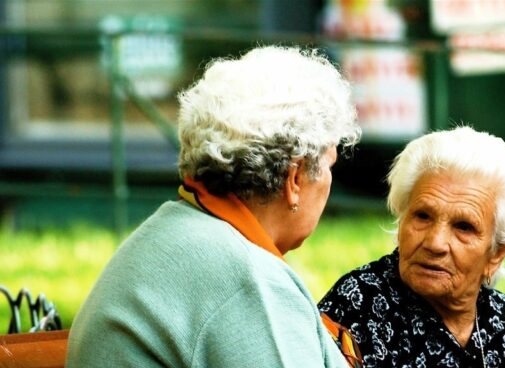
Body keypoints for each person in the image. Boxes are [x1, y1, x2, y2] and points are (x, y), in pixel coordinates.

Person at [67, 46, 362, 367]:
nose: (329, 182)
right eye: (330, 164)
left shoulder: (177, 231)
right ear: (294, 178)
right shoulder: (249, 283)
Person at [319, 126, 505, 367]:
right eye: (423, 216)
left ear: (498, 252)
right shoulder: (356, 307)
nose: (435, 243)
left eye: (463, 227)